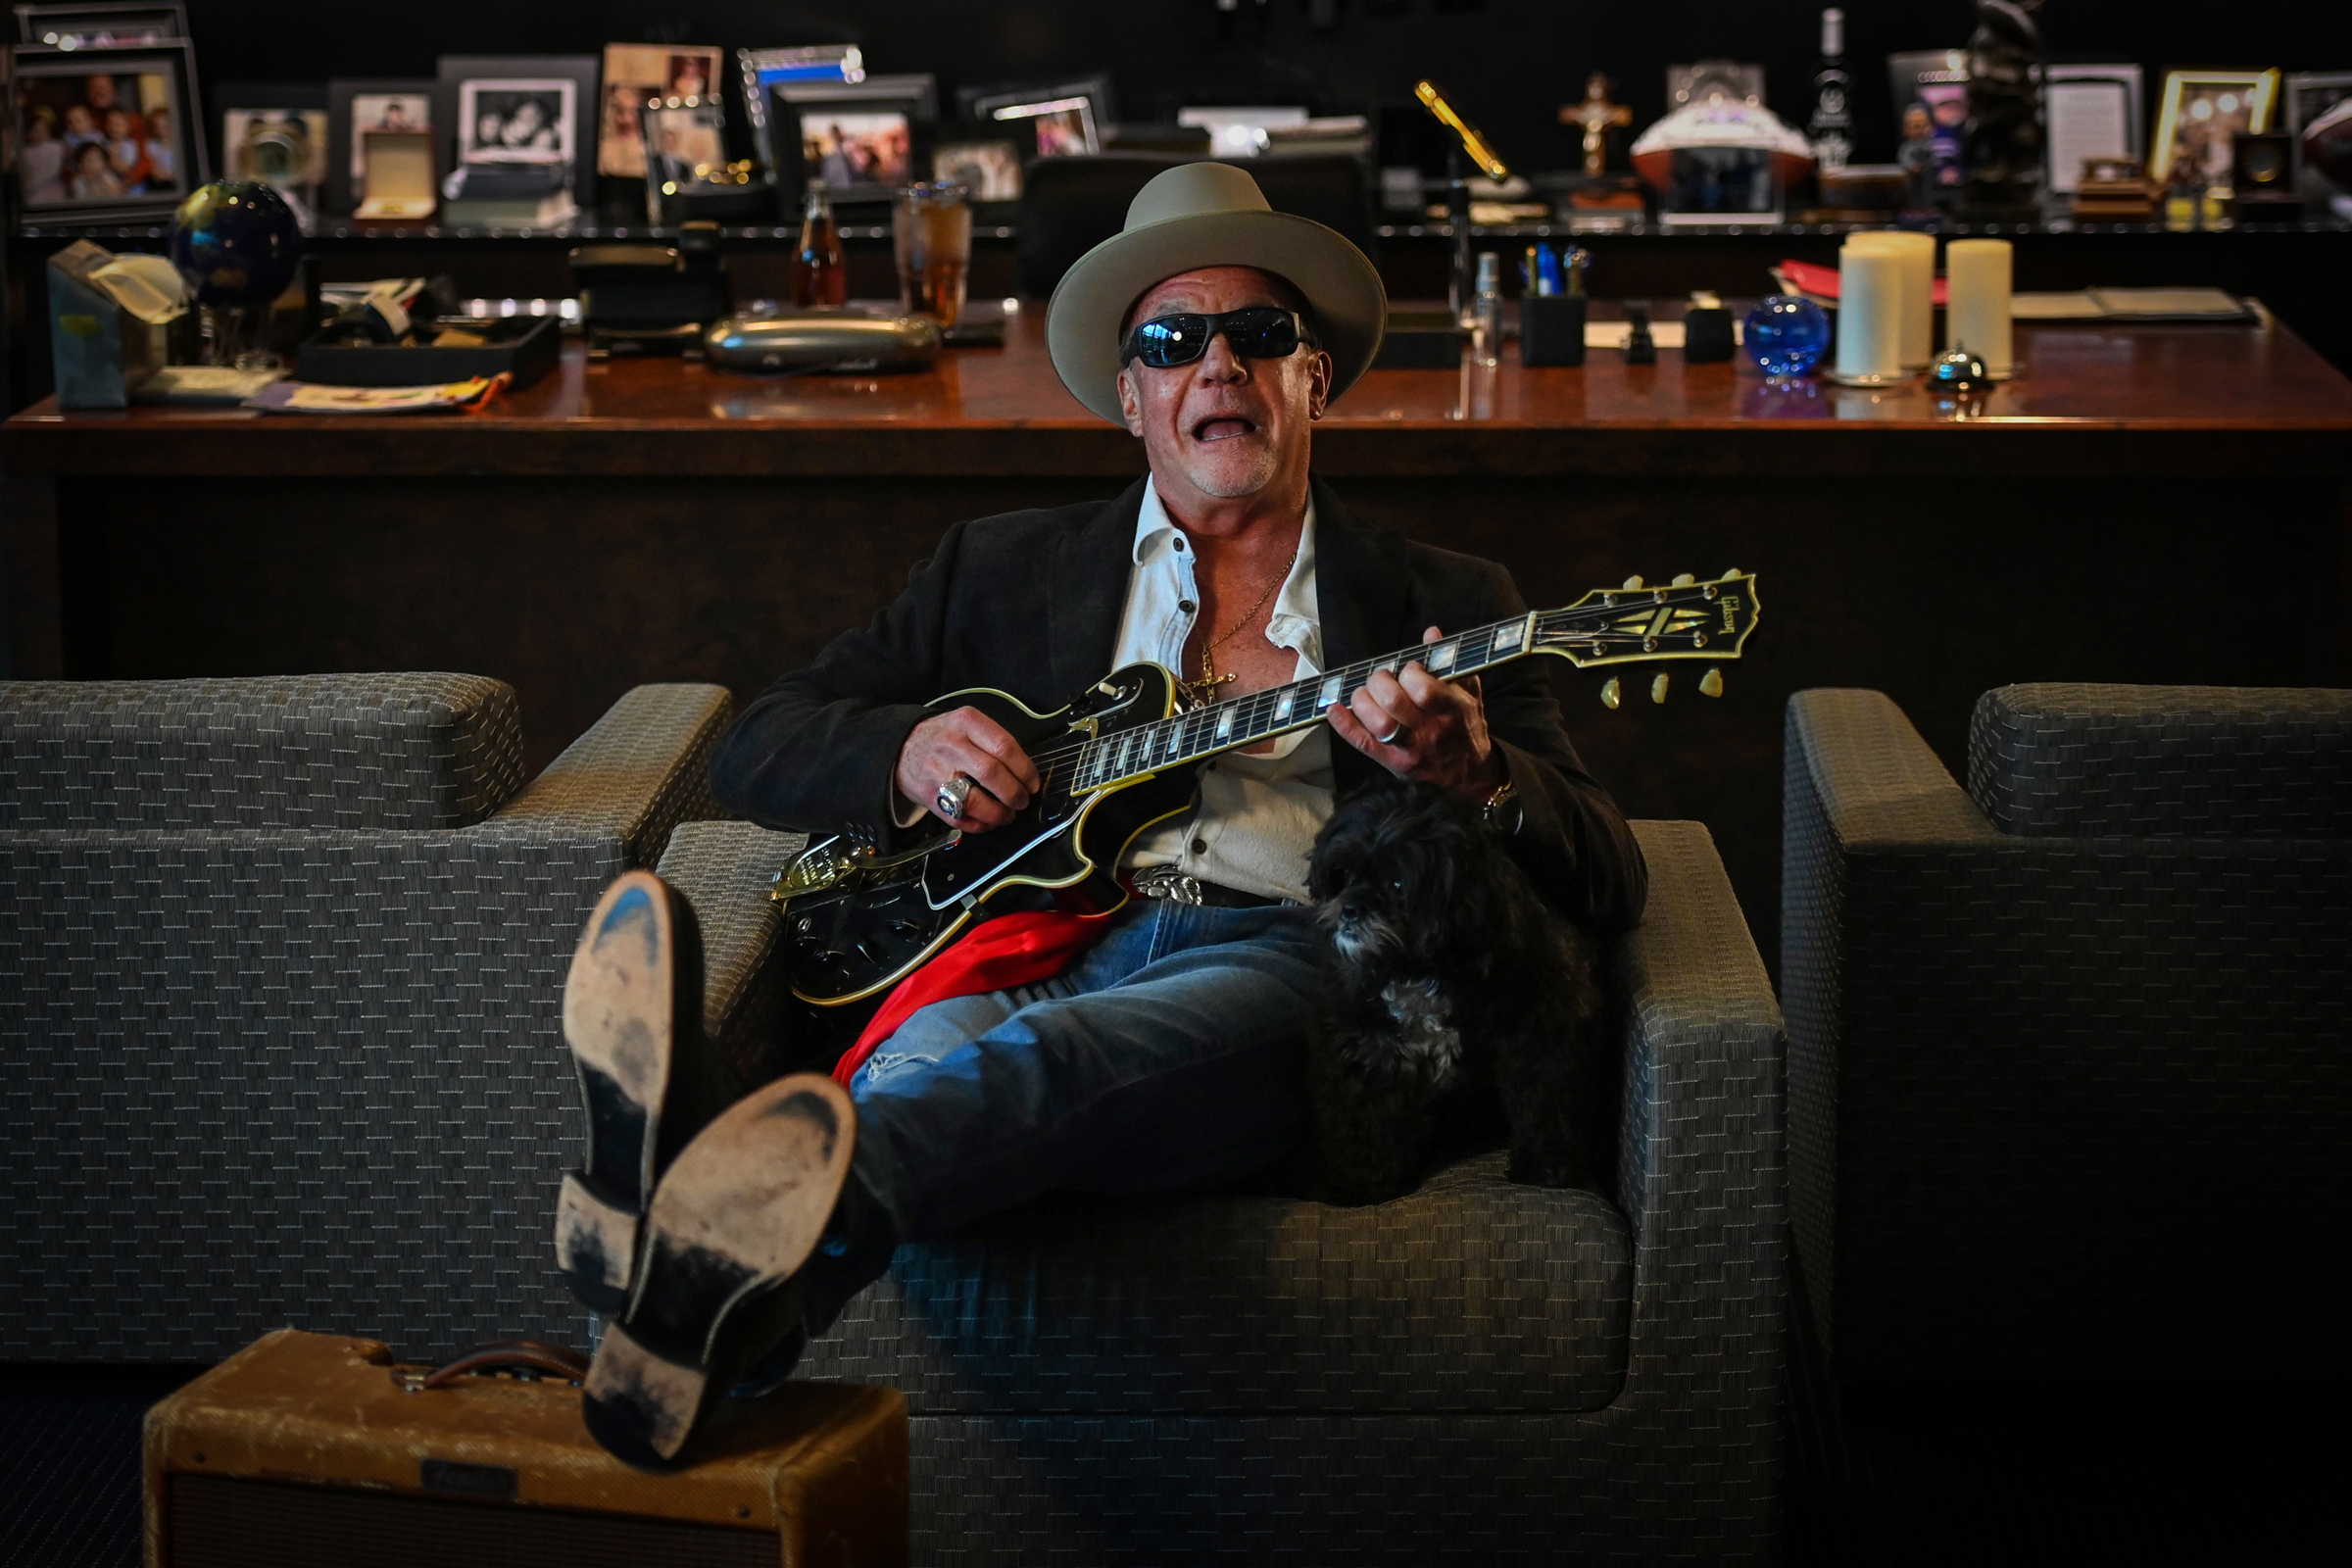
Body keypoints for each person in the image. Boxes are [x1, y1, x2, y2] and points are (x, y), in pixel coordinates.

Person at [559, 162, 1647, 1466]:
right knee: (921, 1072)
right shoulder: (1000, 567)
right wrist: (905, 748)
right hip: (1024, 944)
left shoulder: (1450, 603)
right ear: (1131, 397)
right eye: (1173, 342)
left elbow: (1610, 868)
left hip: (1287, 959)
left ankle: (683, 1171)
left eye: (1259, 334)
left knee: (1042, 1065)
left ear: (1316, 378)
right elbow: (763, 742)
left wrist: (1477, 776)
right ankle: (702, 1325)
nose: (1218, 365)